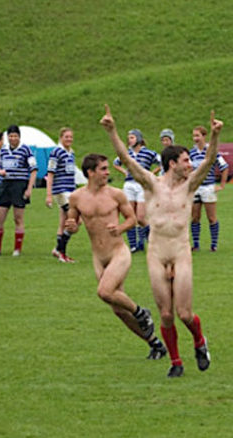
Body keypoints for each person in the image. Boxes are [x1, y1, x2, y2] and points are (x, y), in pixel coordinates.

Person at [101, 104, 219, 378]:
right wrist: (112, 131)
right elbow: (126, 159)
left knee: (184, 313)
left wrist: (215, 135)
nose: (190, 165)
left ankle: (199, 341)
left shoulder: (190, 186)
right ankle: (176, 362)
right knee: (166, 314)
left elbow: (209, 161)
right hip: (156, 254)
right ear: (172, 164)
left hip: (180, 252)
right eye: (185, 161)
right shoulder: (151, 184)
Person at [65, 153, 167, 359]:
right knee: (118, 310)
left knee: (104, 291)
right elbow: (73, 224)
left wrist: (120, 228)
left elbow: (132, 219)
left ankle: (141, 312)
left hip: (118, 252)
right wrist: (72, 227)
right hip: (98, 256)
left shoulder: (116, 194)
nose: (107, 172)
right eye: (103, 169)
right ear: (90, 172)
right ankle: (155, 344)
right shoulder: (76, 197)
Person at [0, 125, 37, 256]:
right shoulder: (3, 151)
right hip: (5, 185)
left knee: (18, 218)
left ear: (19, 137)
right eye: (10, 136)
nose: (13, 138)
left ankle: (17, 249)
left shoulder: (25, 149)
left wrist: (29, 188)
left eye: (15, 136)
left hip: (19, 185)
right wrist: (0, 172)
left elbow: (34, 169)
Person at [111, 128, 161, 253]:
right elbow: (115, 163)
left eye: (132, 137)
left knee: (140, 217)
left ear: (138, 139)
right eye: (129, 138)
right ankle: (134, 245)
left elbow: (161, 163)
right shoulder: (127, 154)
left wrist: (151, 174)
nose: (129, 140)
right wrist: (125, 172)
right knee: (130, 217)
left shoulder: (148, 153)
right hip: (129, 185)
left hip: (142, 186)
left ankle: (152, 240)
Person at [189, 125, 228, 252]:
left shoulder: (211, 151)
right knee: (195, 217)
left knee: (211, 217)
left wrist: (222, 185)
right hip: (195, 187)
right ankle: (196, 244)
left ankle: (214, 244)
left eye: (197, 135)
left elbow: (224, 167)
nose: (195, 138)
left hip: (208, 187)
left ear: (204, 136)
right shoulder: (191, 153)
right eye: (194, 136)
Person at [46, 127, 78, 263]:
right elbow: (50, 173)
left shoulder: (71, 153)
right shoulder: (56, 152)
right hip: (61, 191)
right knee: (75, 221)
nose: (69, 139)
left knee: (64, 222)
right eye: (66, 137)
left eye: (71, 137)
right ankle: (61, 251)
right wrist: (48, 194)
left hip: (70, 190)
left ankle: (58, 250)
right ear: (60, 138)